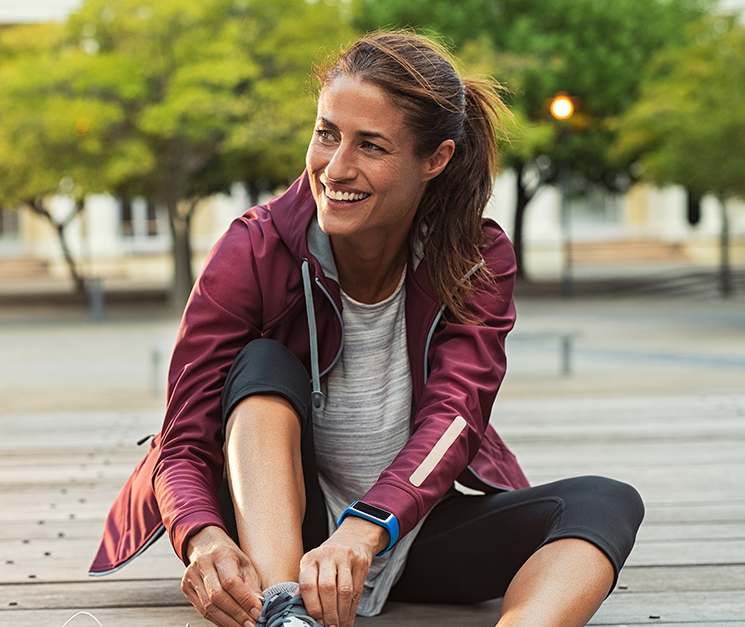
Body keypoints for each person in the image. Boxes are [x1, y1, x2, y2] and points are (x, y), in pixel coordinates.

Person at [90, 31, 644, 627]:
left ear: (436, 159)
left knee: (605, 501)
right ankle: (287, 614)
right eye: (327, 133)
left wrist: (368, 527)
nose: (337, 167)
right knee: (262, 364)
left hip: (407, 531)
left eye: (371, 146)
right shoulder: (252, 250)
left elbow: (456, 415)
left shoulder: (475, 258)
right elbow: (183, 437)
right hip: (285, 540)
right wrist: (202, 538)